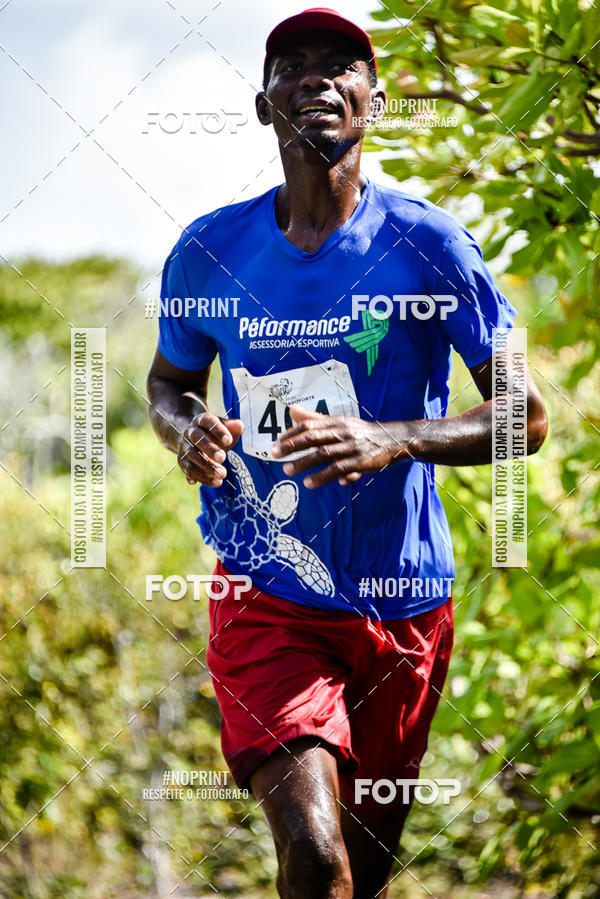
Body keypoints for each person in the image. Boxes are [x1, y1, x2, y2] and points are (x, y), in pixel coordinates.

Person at [146, 8, 548, 897]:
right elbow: (165, 384)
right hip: (268, 595)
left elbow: (527, 414)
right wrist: (188, 430)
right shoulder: (210, 251)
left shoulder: (432, 245)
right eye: (293, 66)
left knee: (358, 874)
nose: (318, 79)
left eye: (342, 67)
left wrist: (391, 439)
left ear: (370, 104)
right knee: (315, 854)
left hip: (404, 602)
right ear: (264, 105)